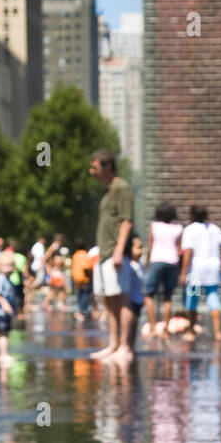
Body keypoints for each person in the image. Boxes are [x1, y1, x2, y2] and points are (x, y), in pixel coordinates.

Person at [88, 149, 135, 362]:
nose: (91, 172)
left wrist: (118, 251)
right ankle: (113, 344)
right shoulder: (108, 191)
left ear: (108, 167)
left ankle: (125, 347)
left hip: (116, 254)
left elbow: (126, 221)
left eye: (95, 167)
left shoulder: (121, 189)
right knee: (109, 301)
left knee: (122, 299)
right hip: (105, 254)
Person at [179, 205, 221, 344]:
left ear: (192, 215)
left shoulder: (190, 229)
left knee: (192, 300)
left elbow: (188, 251)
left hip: (196, 269)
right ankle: (218, 333)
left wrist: (183, 272)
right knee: (213, 299)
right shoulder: (214, 228)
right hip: (213, 267)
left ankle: (190, 331)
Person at [143, 202, 183, 338]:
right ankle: (166, 331)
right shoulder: (178, 228)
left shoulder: (155, 226)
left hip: (157, 260)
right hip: (172, 261)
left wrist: (147, 262)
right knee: (168, 297)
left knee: (149, 295)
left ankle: (153, 328)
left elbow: (150, 246)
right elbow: (179, 249)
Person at [0, 253, 18, 361]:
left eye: (12, 265)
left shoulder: (8, 280)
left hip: (4, 313)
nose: (10, 268)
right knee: (3, 335)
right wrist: (5, 304)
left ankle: (3, 353)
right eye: (6, 266)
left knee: (4, 334)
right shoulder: (0, 279)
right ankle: (3, 355)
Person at [71, 242, 94, 322]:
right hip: (84, 278)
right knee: (85, 294)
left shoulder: (75, 255)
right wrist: (91, 276)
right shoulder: (84, 254)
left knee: (80, 294)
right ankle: (83, 311)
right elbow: (86, 267)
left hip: (76, 278)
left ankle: (80, 310)